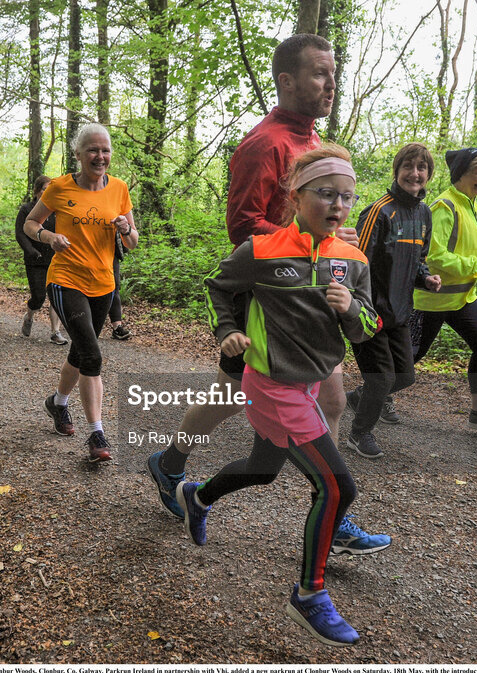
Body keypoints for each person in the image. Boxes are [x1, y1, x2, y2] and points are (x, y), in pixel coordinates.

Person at [145, 34, 388, 558]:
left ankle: (332, 508)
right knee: (229, 398)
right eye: (320, 73)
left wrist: (328, 241)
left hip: (311, 306)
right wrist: (305, 244)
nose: (331, 83)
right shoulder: (266, 144)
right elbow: (243, 228)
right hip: (272, 305)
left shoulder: (310, 138)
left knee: (330, 396)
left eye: (332, 73)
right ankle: (171, 464)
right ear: (287, 80)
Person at [177, 146, 377, 647]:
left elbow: (370, 328)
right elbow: (217, 287)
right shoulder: (262, 250)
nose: (337, 205)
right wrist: (226, 331)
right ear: (296, 196)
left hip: (307, 385)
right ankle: (309, 596)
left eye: (347, 197)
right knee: (336, 488)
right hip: (270, 385)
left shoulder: (351, 260)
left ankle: (196, 498)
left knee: (263, 470)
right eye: (326, 193)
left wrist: (352, 309)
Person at [23, 123, 138, 463]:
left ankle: (57, 403)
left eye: (105, 150)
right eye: (92, 150)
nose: (99, 156)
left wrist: (126, 228)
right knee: (92, 354)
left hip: (103, 284)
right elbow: (31, 223)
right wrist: (49, 238)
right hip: (65, 279)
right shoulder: (59, 188)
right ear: (78, 154)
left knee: (81, 349)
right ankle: (97, 435)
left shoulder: (118, 189)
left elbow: (133, 242)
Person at [344, 143, 442, 458]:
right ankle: (359, 434)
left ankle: (361, 398)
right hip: (370, 311)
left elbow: (417, 259)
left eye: (422, 168)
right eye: (409, 167)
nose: (415, 173)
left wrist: (424, 277)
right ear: (397, 171)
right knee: (382, 377)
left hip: (399, 312)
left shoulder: (424, 213)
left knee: (404, 376)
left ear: (428, 174)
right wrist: (358, 310)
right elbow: (357, 262)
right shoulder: (379, 211)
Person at [412, 148, 477, 430]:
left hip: (462, 297)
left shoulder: (471, 203)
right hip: (432, 298)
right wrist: (475, 263)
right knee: (410, 356)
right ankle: (368, 397)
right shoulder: (444, 207)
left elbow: (462, 247)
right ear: (462, 174)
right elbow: (433, 256)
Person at [14, 176, 67, 345]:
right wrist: (31, 251)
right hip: (35, 260)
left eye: (49, 189)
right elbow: (20, 233)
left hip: (55, 259)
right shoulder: (27, 209)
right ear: (37, 191)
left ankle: (55, 332)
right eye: (44, 189)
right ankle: (29, 315)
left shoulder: (57, 210)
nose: (47, 192)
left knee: (56, 296)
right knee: (38, 297)